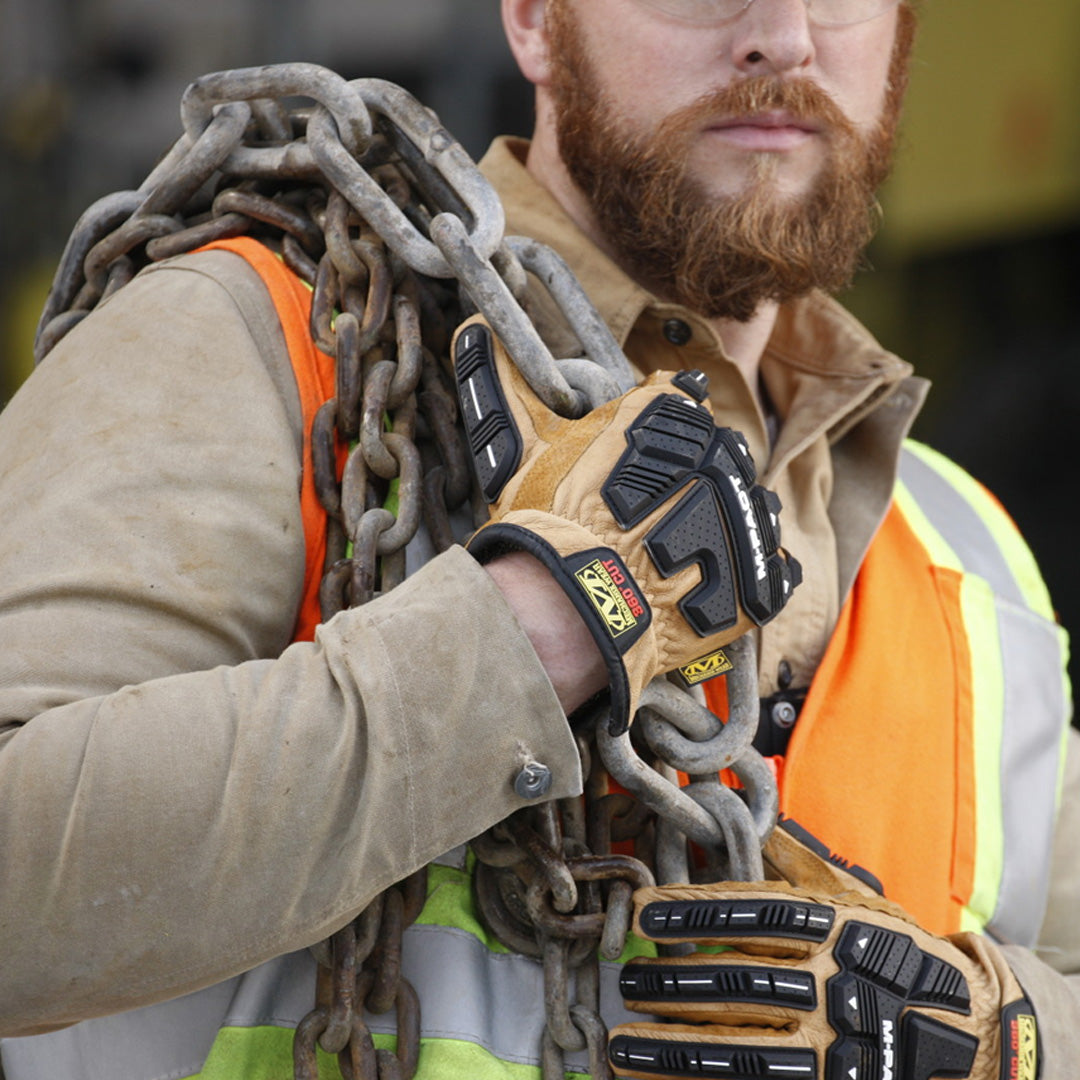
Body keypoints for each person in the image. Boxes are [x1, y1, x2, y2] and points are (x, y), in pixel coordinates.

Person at [0, 0, 1076, 1077]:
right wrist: (534, 633)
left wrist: (1002, 1034)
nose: (782, 37)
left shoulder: (963, 552)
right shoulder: (260, 355)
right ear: (532, 19)